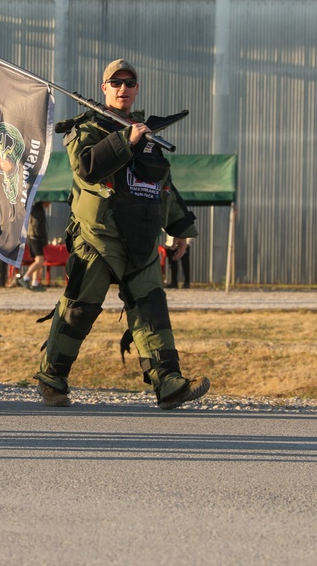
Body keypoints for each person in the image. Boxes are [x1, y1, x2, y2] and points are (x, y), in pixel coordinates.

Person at [33, 58, 209, 410]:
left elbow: (163, 186)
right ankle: (52, 377)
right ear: (105, 88)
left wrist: (180, 231)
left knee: (151, 309)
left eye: (129, 83)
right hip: (97, 237)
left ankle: (168, 382)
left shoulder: (148, 135)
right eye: (116, 83)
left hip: (141, 237)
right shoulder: (85, 128)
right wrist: (124, 140)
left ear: (137, 88)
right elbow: (87, 168)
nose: (123, 88)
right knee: (79, 310)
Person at [9, 201, 48, 290]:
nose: (50, 203)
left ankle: (35, 283)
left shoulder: (37, 209)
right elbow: (37, 226)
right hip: (35, 237)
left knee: (38, 261)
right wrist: (42, 238)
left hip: (32, 237)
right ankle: (25, 278)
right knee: (39, 261)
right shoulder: (38, 211)